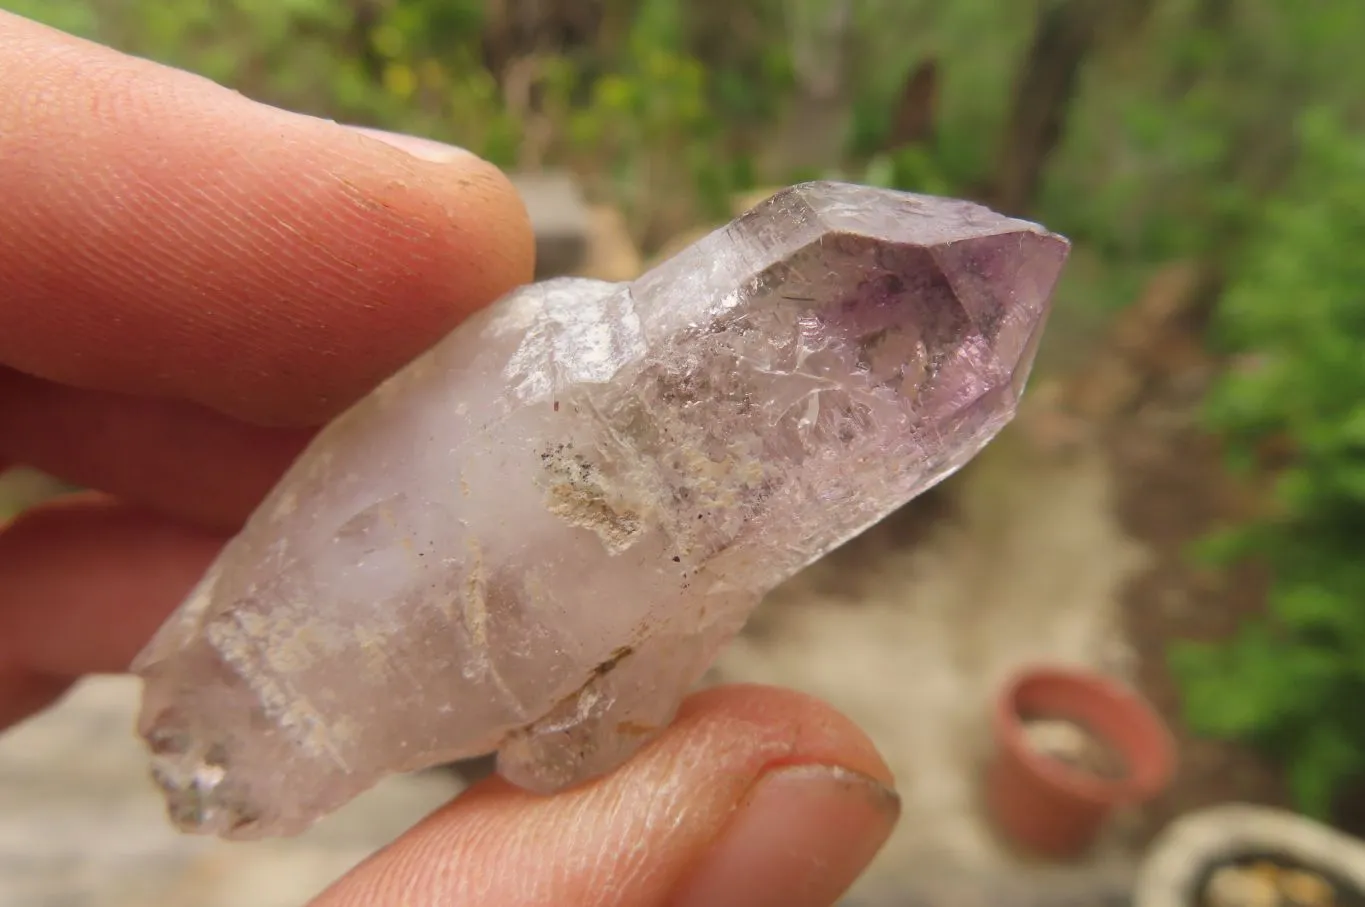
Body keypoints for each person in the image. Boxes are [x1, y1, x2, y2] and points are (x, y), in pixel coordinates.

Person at [0, 10, 899, 906]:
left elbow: (591, 725)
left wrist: (586, 726)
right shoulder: (550, 335)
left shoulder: (579, 374)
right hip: (287, 632)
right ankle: (236, 712)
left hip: (369, 676)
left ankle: (245, 725)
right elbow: (575, 739)